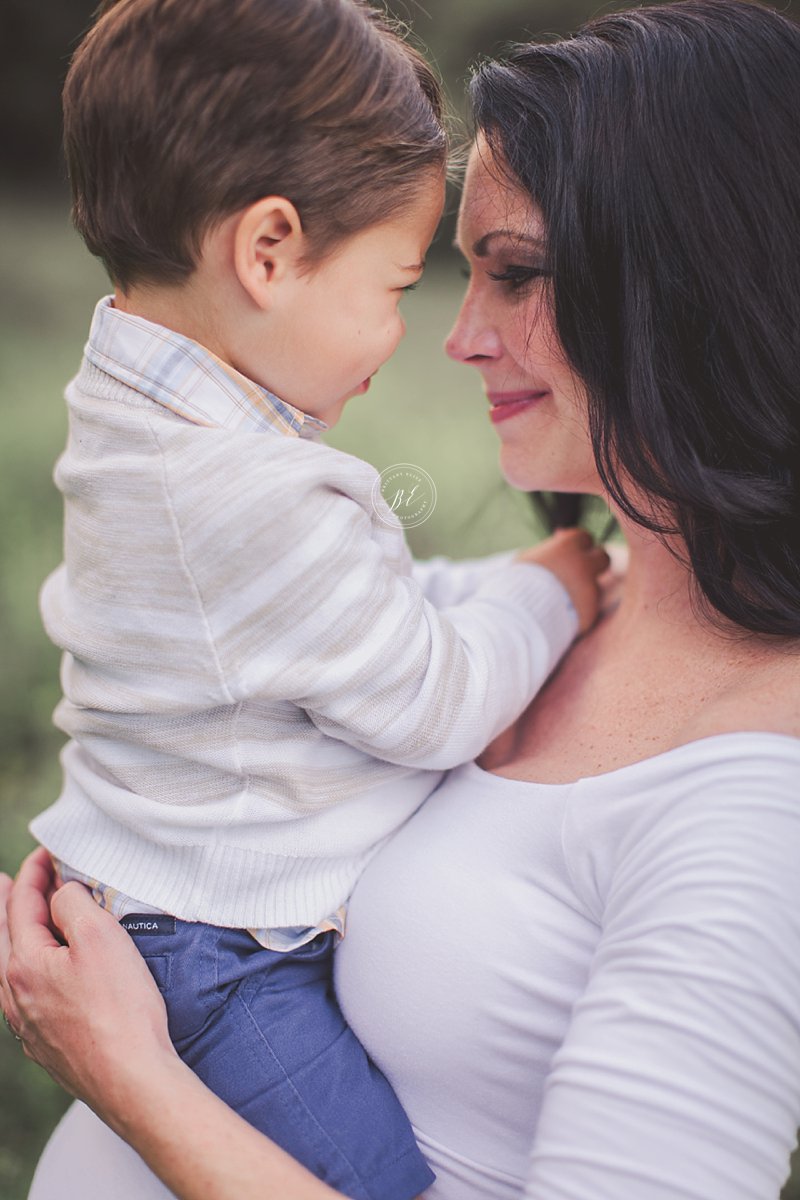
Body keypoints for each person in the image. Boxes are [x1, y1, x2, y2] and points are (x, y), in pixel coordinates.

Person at [3, 0, 800, 1197]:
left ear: (695, 286)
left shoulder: (757, 804)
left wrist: (131, 1076)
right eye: (439, 277)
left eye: (515, 274)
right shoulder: (582, 592)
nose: (455, 338)